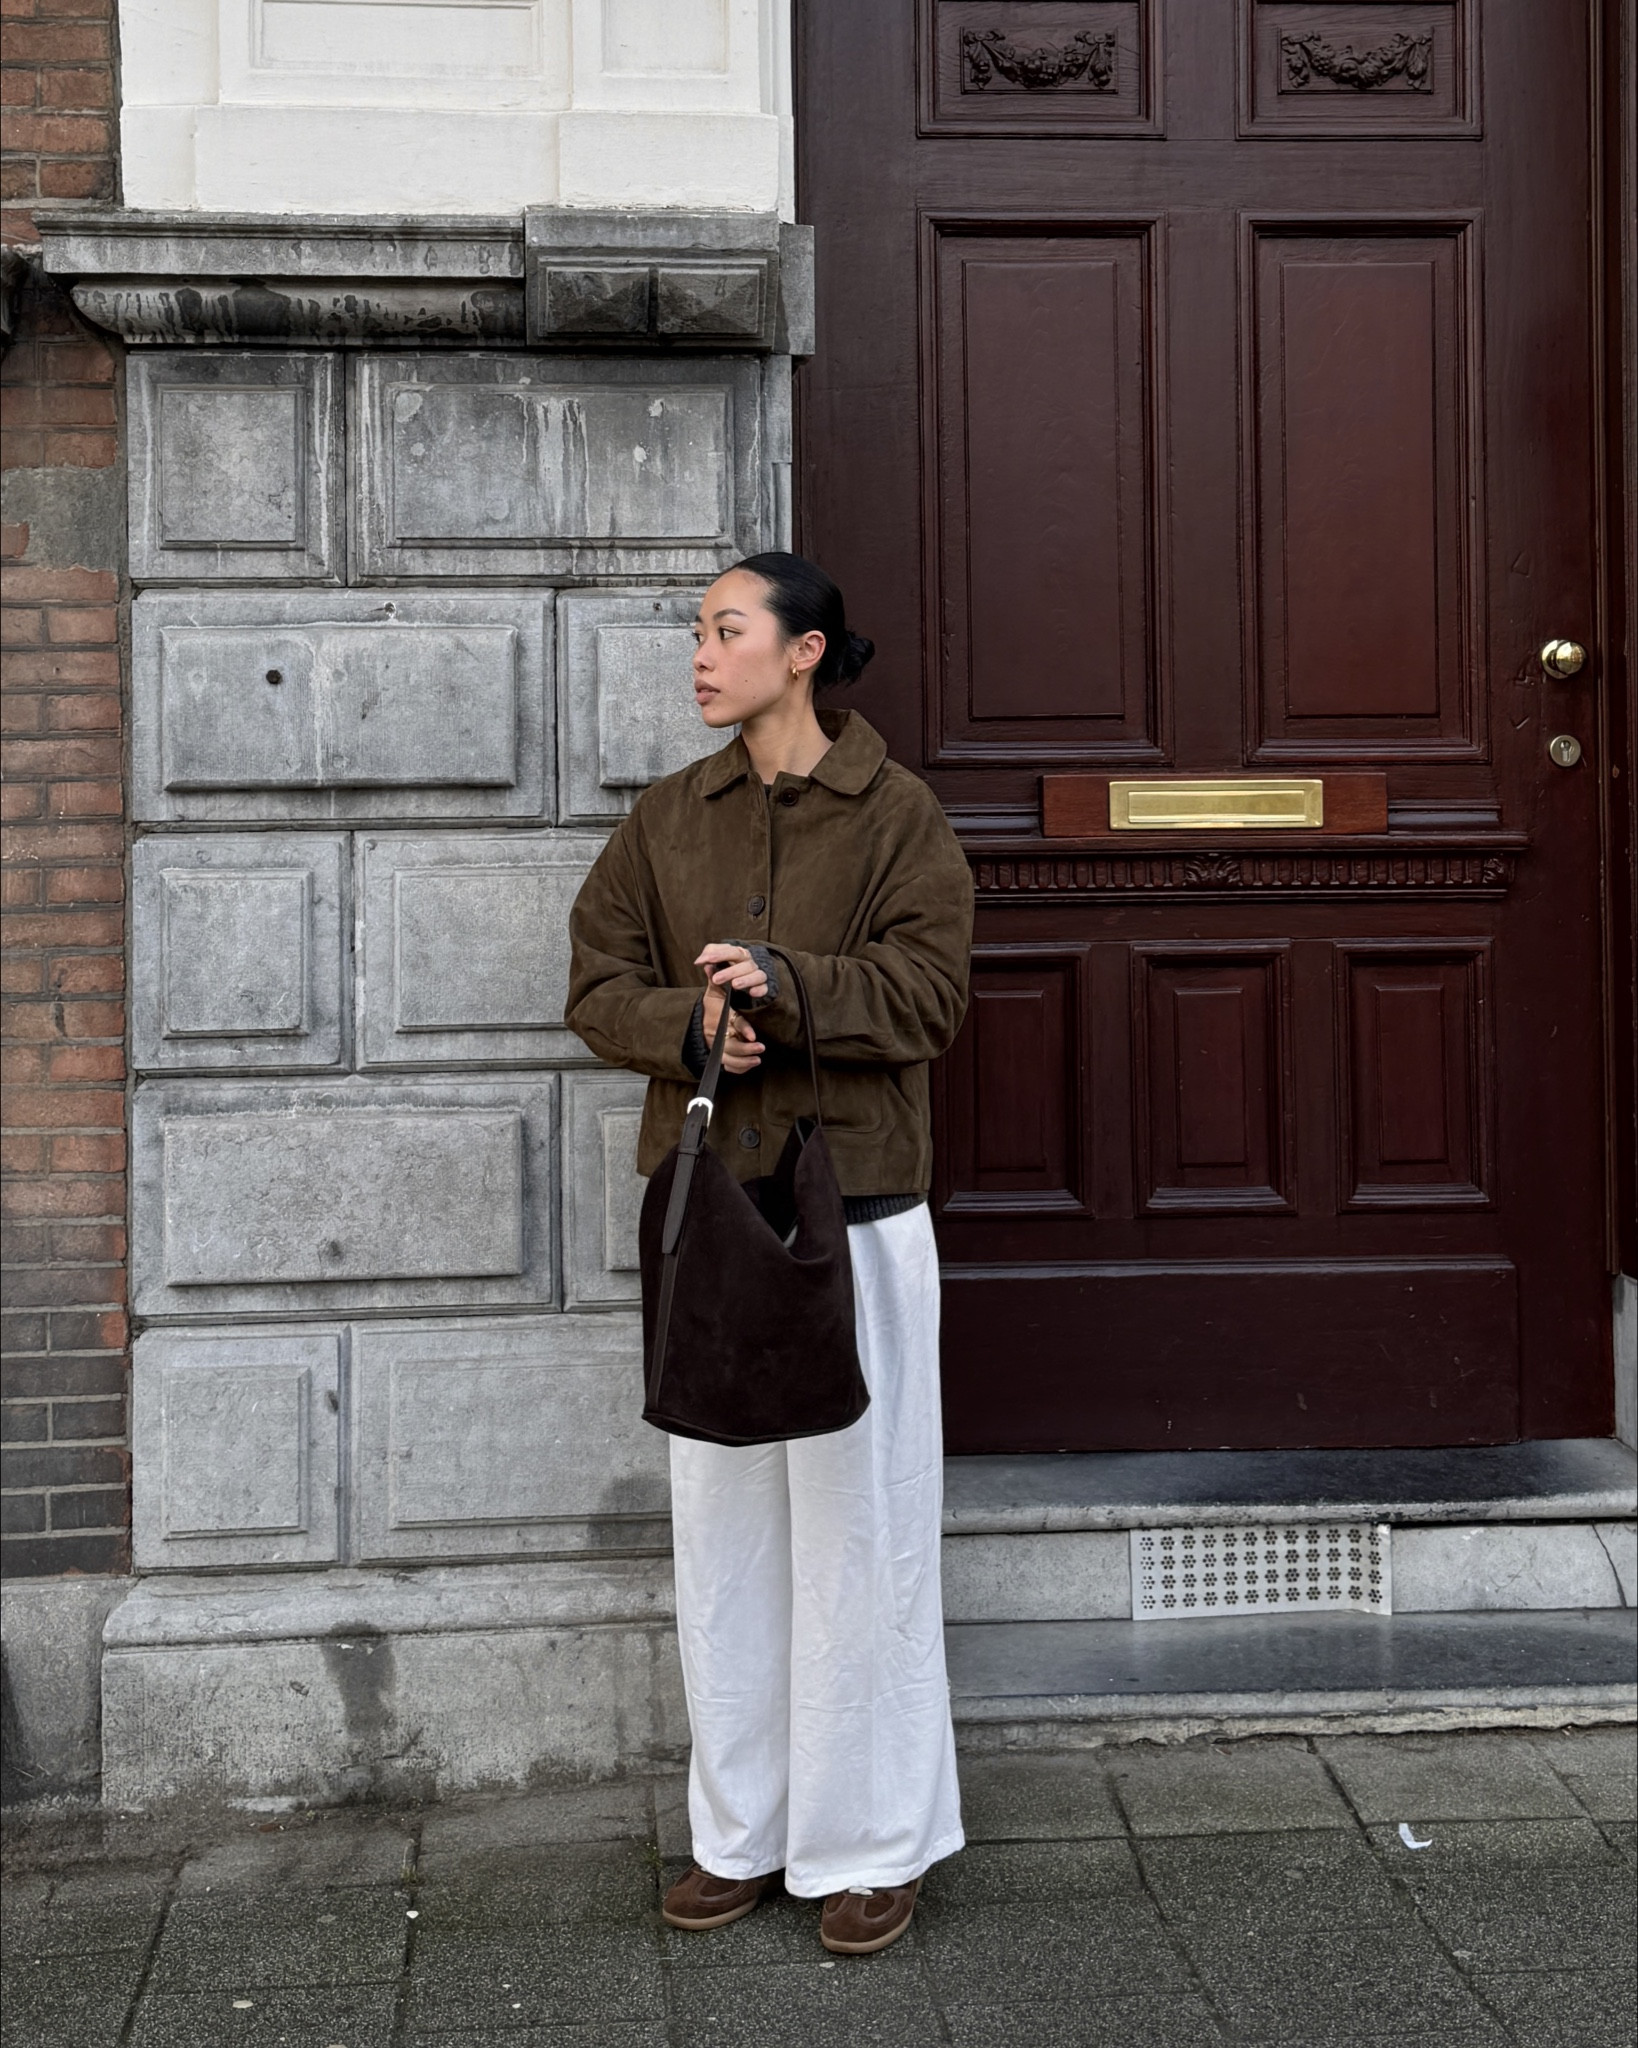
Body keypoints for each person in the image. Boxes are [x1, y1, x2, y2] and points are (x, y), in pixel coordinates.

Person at [566, 551, 974, 1957]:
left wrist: (791, 991)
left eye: (723, 631)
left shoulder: (897, 814)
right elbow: (594, 983)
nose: (699, 655)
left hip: (854, 1213)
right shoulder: (666, 820)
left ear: (802, 652)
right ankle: (737, 1832)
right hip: (713, 1223)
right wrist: (691, 1025)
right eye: (697, 632)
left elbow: (929, 994)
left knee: (862, 1540)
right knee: (726, 1540)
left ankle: (871, 1844)